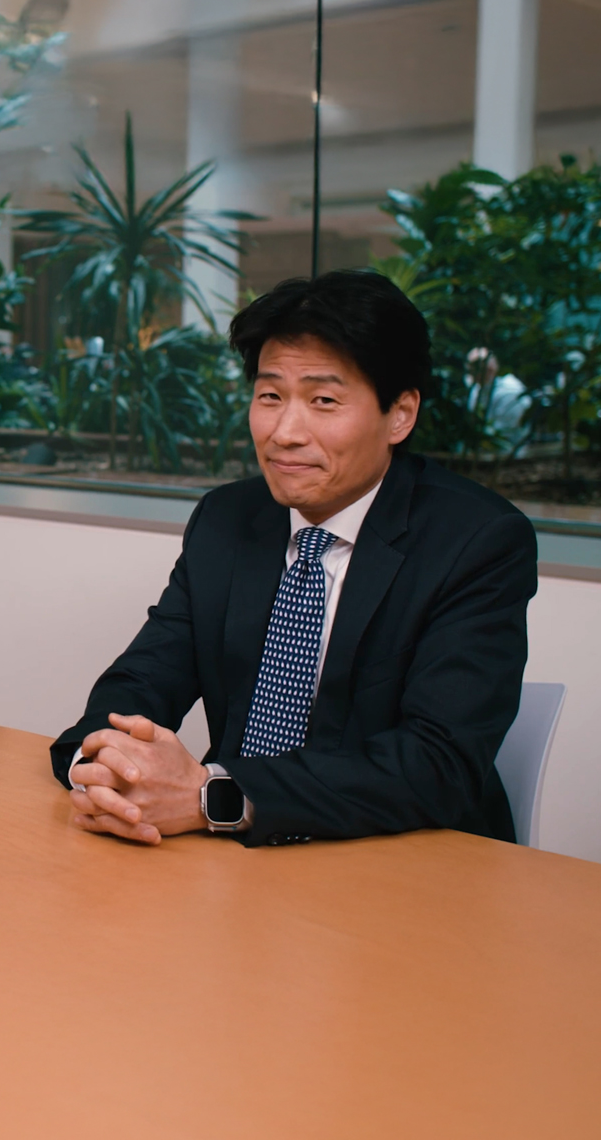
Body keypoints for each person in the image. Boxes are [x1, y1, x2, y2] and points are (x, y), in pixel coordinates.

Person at [52, 270, 536, 848]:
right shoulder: (227, 519)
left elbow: (436, 763)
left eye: (323, 400)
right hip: (233, 858)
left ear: (400, 414)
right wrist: (103, 764)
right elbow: (145, 678)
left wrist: (214, 794)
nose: (284, 432)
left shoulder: (477, 540)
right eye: (270, 396)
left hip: (402, 857)